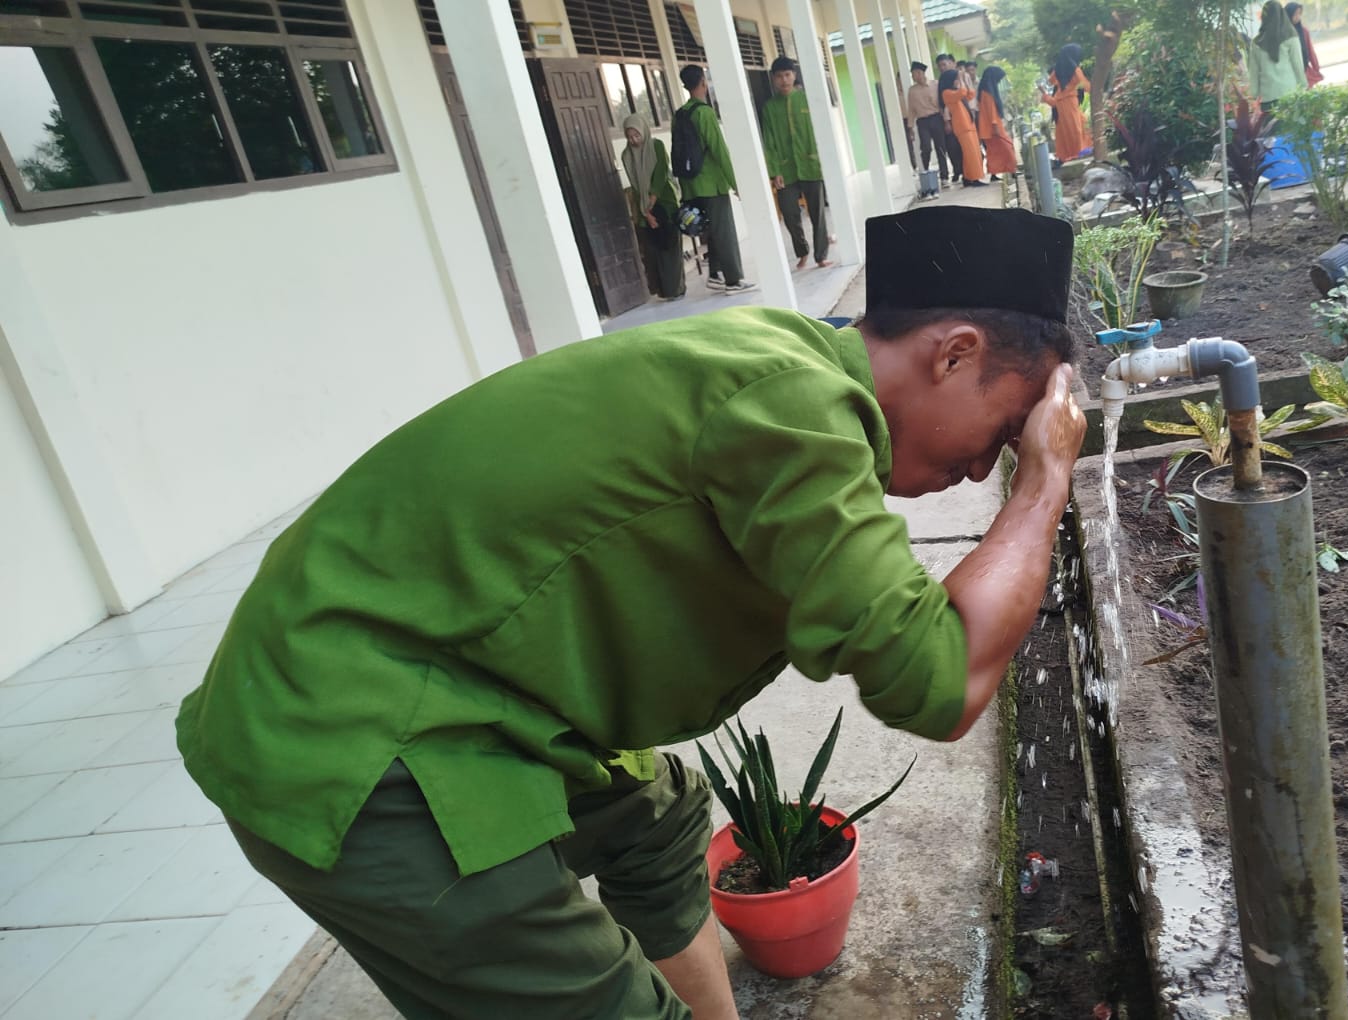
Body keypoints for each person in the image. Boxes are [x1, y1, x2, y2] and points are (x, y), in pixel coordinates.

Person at [175, 203, 1088, 1020]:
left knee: (657, 823)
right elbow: (942, 681)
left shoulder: (784, 363)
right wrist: (1042, 486)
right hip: (353, 737)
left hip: (450, 685)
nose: (983, 470)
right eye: (1004, 432)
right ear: (955, 351)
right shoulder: (794, 407)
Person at [676, 65, 753, 294]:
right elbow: (719, 150)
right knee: (724, 231)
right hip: (712, 184)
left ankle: (715, 275)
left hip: (691, 185)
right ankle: (734, 281)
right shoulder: (704, 112)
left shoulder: (679, 114)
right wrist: (735, 183)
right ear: (702, 83)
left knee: (712, 230)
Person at [760, 57, 830, 270]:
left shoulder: (807, 100)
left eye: (788, 75)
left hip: (810, 165)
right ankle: (802, 251)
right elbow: (768, 142)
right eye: (779, 76)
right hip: (785, 170)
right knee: (790, 215)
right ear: (773, 79)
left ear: (794, 75)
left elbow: (820, 131)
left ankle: (821, 256)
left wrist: (822, 159)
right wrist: (774, 171)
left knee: (817, 213)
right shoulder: (770, 108)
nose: (784, 80)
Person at [621, 112, 685, 302]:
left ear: (644, 131)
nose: (634, 140)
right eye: (630, 137)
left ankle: (676, 289)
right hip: (644, 209)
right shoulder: (627, 155)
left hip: (665, 203)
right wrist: (645, 212)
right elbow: (635, 184)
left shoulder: (656, 146)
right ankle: (664, 290)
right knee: (655, 251)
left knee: (671, 247)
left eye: (637, 135)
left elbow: (661, 172)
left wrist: (652, 200)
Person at [1249, 2, 1309, 112]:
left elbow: (1254, 71)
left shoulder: (1256, 43)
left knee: (1273, 128)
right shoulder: (1291, 36)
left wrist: (1253, 95)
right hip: (1290, 95)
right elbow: (1297, 65)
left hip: (1268, 98)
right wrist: (1304, 86)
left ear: (1264, 17)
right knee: (1291, 128)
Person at [1039, 44, 1090, 164]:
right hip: (1071, 101)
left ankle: (1068, 154)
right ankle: (1078, 154)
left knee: (1065, 130)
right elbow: (1086, 86)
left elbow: (1050, 82)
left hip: (1060, 104)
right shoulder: (1075, 70)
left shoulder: (1057, 70)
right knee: (1076, 128)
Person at [904, 61, 951, 184]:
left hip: (936, 118)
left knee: (940, 147)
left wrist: (946, 120)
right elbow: (911, 109)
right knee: (926, 148)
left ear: (920, 73)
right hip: (922, 121)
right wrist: (910, 128)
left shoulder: (935, 84)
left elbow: (942, 103)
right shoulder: (912, 91)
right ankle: (925, 173)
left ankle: (944, 176)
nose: (913, 77)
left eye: (914, 74)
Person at [940, 68, 985, 186]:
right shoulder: (947, 93)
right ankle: (974, 178)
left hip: (969, 124)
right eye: (955, 79)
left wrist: (965, 80)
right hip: (962, 126)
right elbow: (962, 92)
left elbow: (971, 94)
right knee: (971, 154)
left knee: (973, 152)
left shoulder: (956, 92)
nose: (957, 81)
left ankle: (968, 177)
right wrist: (960, 80)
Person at [977, 66, 1019, 180]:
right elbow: (991, 111)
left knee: (993, 152)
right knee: (1008, 146)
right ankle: (1012, 170)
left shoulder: (983, 91)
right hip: (993, 127)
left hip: (987, 127)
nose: (999, 81)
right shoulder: (988, 93)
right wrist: (995, 125)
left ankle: (994, 173)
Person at [1286, 3, 1324, 86]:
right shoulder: (1283, 34)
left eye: (1299, 14)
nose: (1298, 17)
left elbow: (1310, 52)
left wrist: (1316, 68)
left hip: (1305, 71)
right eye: (1295, 14)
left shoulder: (1304, 31)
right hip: (1289, 74)